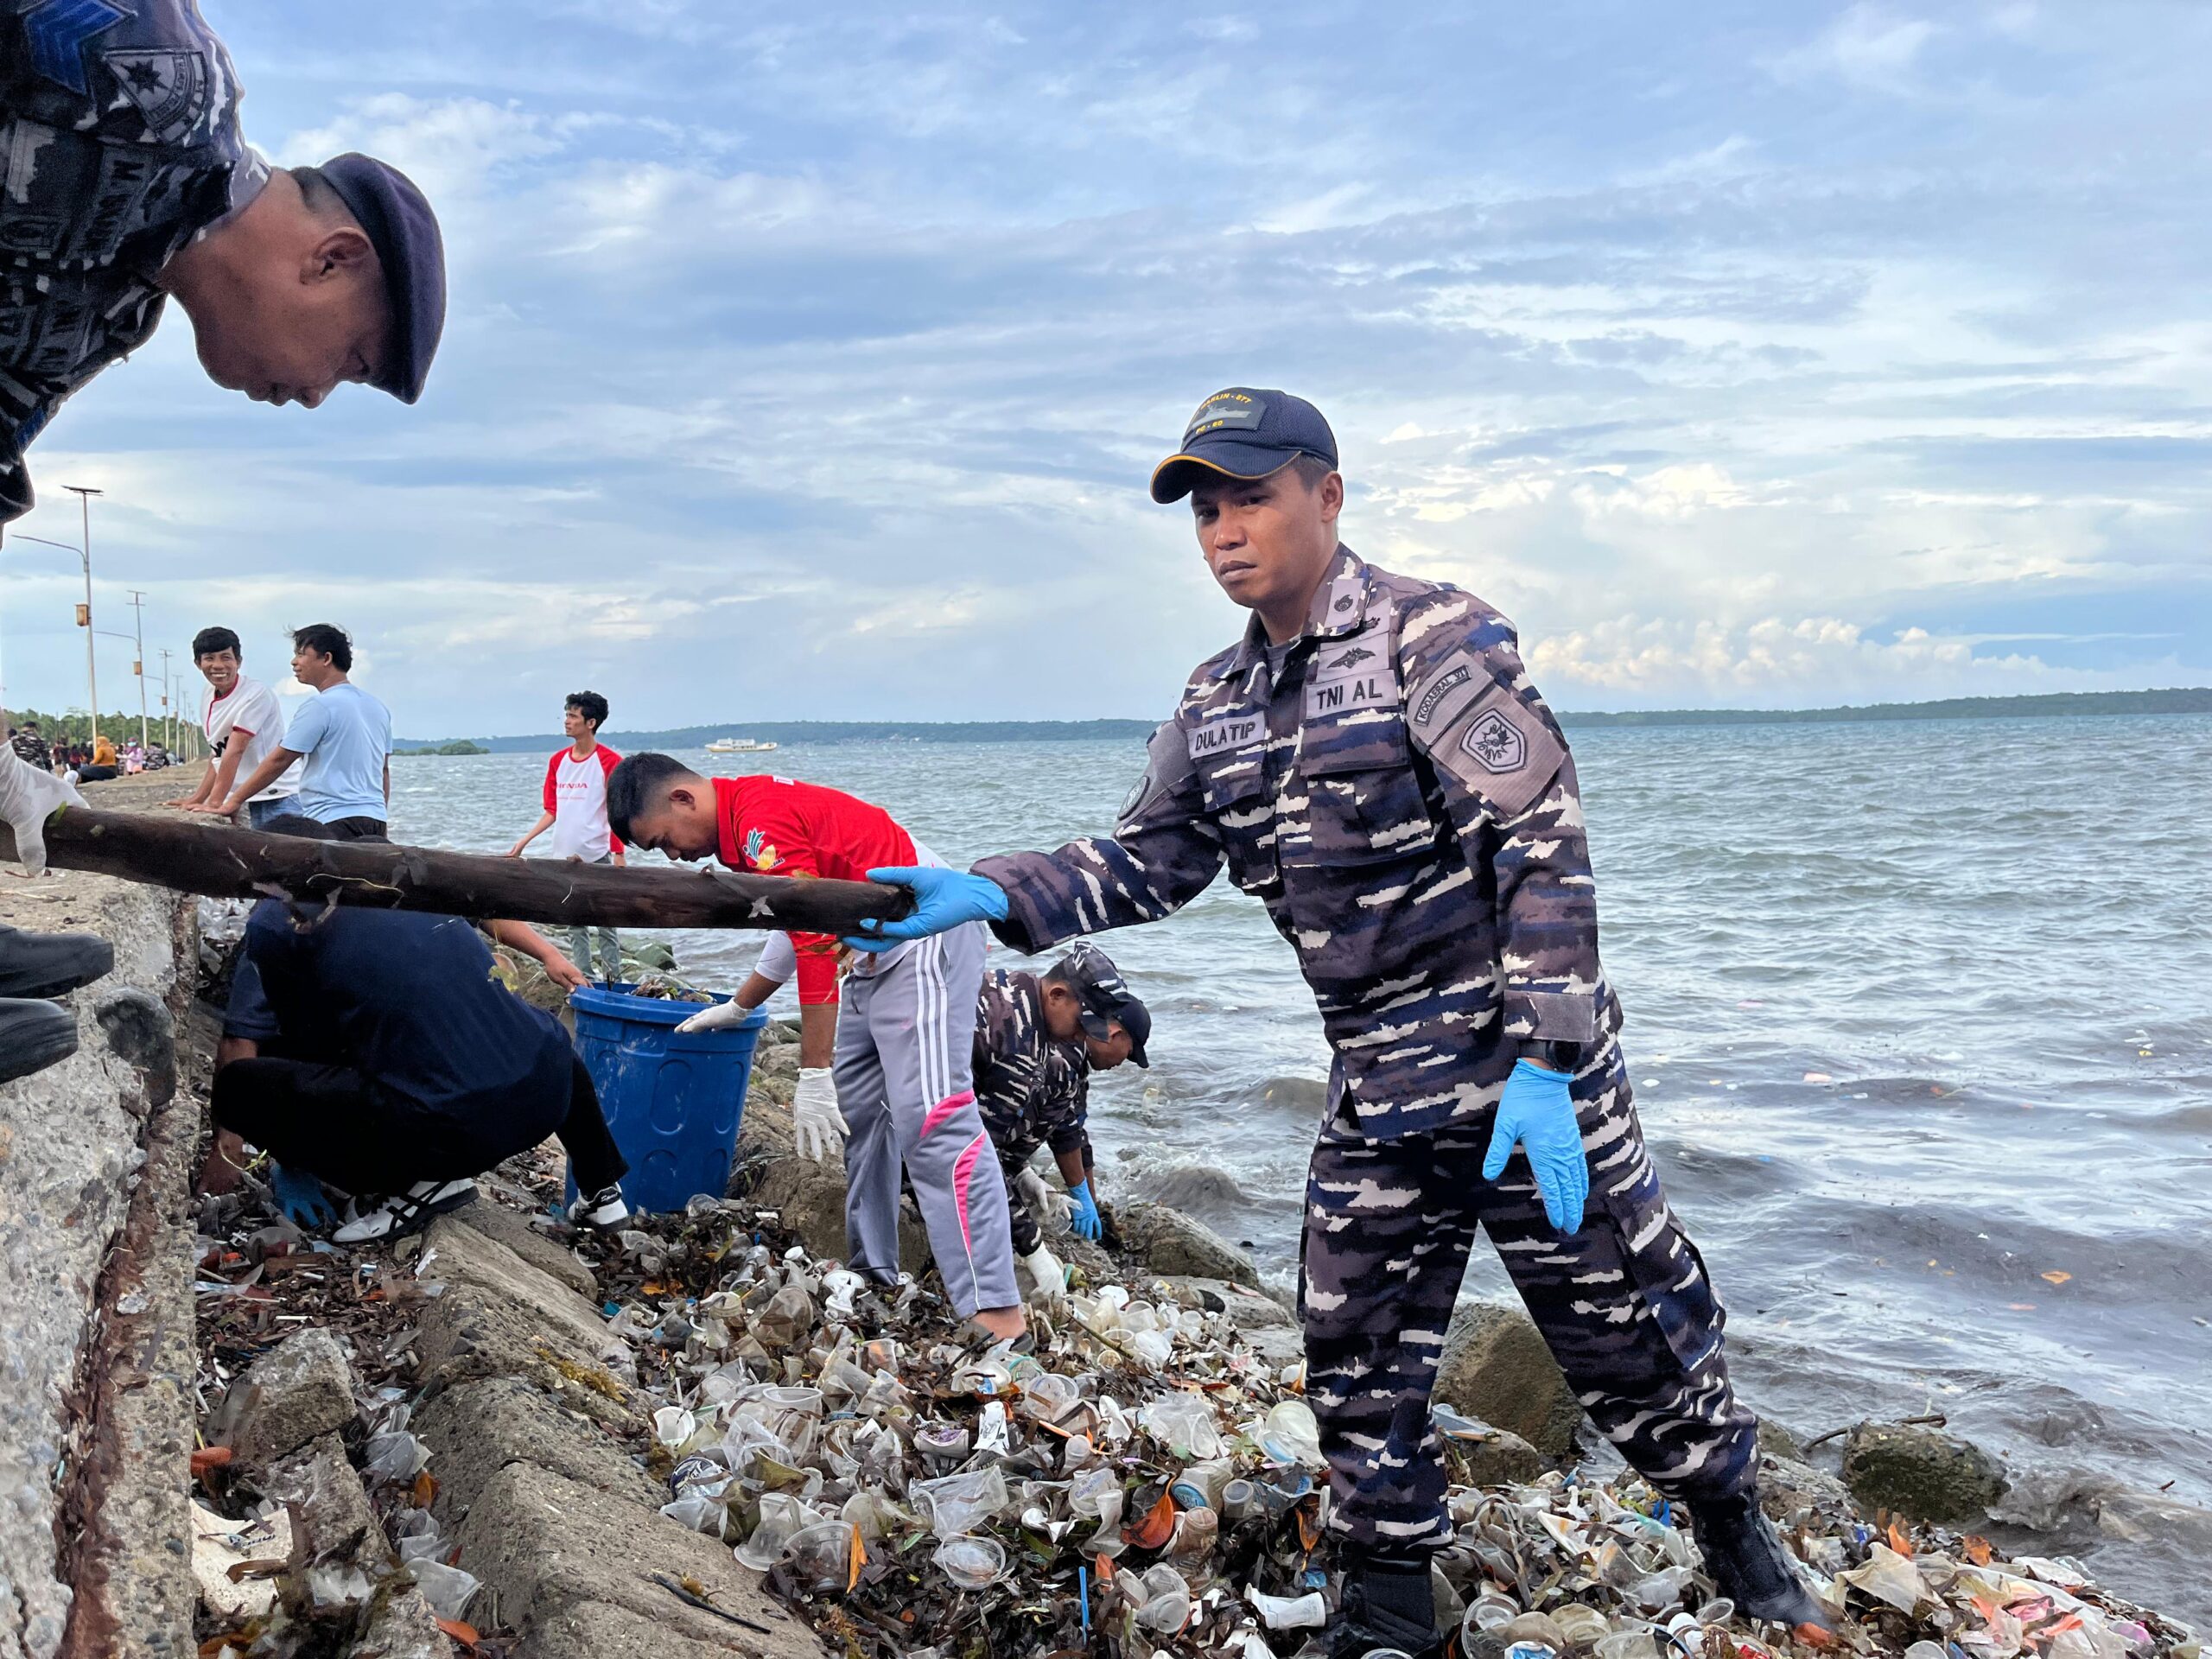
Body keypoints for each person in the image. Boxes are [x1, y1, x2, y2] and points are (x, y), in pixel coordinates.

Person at [852, 390, 1833, 1653]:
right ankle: (1385, 1607)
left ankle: (1730, 1523)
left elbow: (1541, 847)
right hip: (1378, 1091)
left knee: (1628, 1329)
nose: (1224, 534)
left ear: (1328, 494)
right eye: (1205, 511)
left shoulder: (1434, 640)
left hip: (1523, 1077)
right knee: (1356, 1345)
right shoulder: (1216, 702)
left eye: (1250, 499)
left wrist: (1552, 1058)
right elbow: (1150, 858)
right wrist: (995, 889)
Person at [607, 753, 1027, 1347]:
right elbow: (794, 921)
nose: (674, 857)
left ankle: (997, 1312)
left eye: (665, 842)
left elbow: (810, 942)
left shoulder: (759, 820)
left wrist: (811, 1070)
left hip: (926, 940)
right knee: (862, 1120)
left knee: (934, 1122)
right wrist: (742, 1005)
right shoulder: (741, 828)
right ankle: (876, 1270)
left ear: (682, 799)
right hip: (869, 953)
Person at [1, 0, 445, 531]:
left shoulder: (106, 324)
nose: (312, 398)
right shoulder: (163, 75)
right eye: (352, 362)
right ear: (332, 260)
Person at [198, 817, 630, 1240]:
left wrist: (290, 1156)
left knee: (241, 1086)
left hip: (452, 1131)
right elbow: (482, 911)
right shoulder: (402, 878)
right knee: (540, 1037)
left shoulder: (277, 922)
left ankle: (417, 1184)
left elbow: (290, 1041)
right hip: (549, 1094)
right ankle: (602, 1191)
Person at [212, 625, 390, 838]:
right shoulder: (378, 707)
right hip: (376, 821)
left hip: (333, 820)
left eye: (301, 654)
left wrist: (234, 801)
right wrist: (381, 821)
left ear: (326, 659)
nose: (294, 662)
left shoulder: (321, 706)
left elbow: (280, 759)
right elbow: (383, 771)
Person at [505, 692, 626, 982]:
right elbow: (553, 809)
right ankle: (583, 977)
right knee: (575, 923)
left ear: (591, 722)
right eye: (567, 715)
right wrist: (524, 841)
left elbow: (616, 811)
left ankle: (614, 980)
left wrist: (619, 852)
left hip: (597, 854)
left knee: (606, 922)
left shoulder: (610, 762)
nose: (567, 721)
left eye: (574, 716)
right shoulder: (558, 761)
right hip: (563, 855)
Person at [171, 626, 302, 827]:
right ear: (198, 663)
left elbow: (235, 750)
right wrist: (198, 799)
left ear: (238, 662)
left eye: (226, 658)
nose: (218, 665)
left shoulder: (255, 694)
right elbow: (219, 754)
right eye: (209, 658)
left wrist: (216, 802)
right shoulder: (208, 694)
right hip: (248, 795)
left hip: (279, 794)